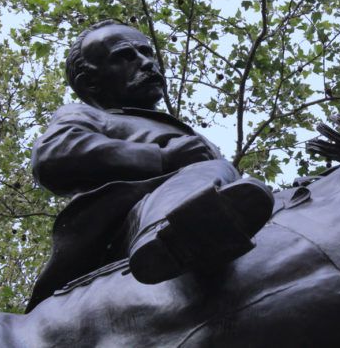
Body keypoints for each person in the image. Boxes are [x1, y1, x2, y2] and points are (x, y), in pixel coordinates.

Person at [25, 20, 274, 312]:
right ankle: (164, 236)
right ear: (90, 82)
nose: (147, 63)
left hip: (213, 202)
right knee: (211, 172)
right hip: (127, 227)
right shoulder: (89, 115)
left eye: (147, 53)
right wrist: (162, 158)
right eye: (125, 56)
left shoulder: (189, 136)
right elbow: (54, 153)